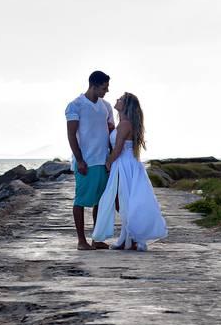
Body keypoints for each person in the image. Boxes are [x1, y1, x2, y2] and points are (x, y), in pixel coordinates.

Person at [92, 92, 167, 250]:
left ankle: (130, 238)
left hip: (124, 164)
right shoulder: (124, 123)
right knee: (125, 201)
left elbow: (118, 148)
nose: (117, 100)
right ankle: (127, 238)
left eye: (121, 99)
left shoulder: (125, 124)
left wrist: (108, 163)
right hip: (128, 163)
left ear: (126, 105)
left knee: (125, 201)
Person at [65, 70, 115, 250]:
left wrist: (112, 158)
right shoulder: (75, 106)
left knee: (100, 202)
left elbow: (111, 133)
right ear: (93, 85)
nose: (107, 91)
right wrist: (79, 160)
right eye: (104, 87)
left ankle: (97, 238)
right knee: (80, 201)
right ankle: (81, 241)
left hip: (103, 161)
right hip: (86, 161)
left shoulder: (106, 106)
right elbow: (71, 135)